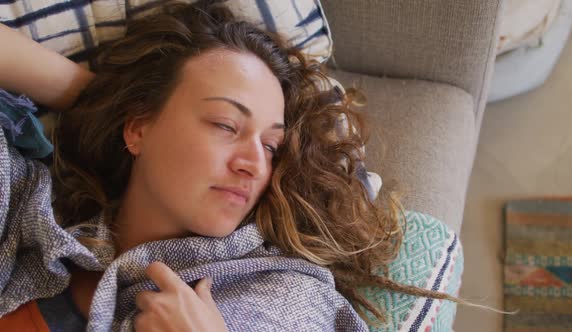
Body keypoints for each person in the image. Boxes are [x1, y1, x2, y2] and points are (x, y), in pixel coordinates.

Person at [0, 1, 461, 331]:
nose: (253, 164)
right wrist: (85, 92)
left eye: (271, 145)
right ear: (137, 129)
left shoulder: (279, 297)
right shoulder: (27, 212)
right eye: (225, 124)